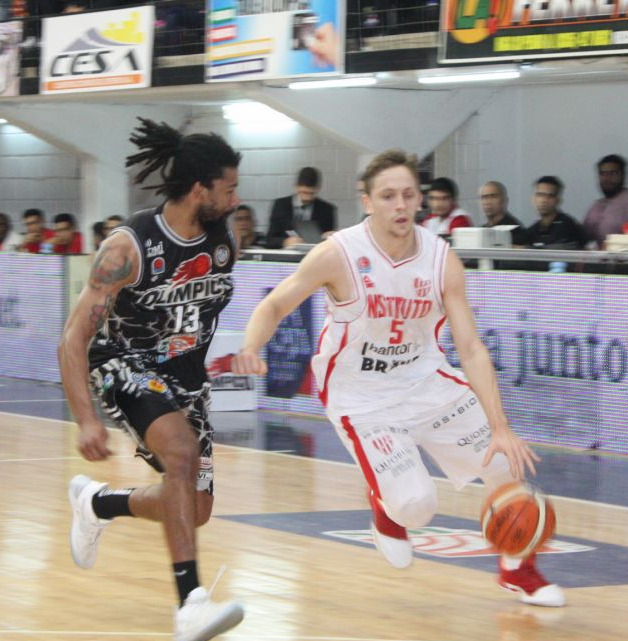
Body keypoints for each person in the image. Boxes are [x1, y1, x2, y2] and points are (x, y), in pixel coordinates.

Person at [233, 149, 564, 607]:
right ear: (367, 201)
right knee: (416, 507)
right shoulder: (339, 253)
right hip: (360, 394)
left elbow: (470, 347)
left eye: (409, 194)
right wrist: (251, 347)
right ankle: (387, 510)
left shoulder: (441, 259)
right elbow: (274, 304)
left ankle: (518, 569)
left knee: (504, 462)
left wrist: (501, 425)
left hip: (425, 380)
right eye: (388, 196)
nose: (401, 205)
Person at [58, 118, 245, 641]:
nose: (236, 199)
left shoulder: (224, 240)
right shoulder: (127, 249)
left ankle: (98, 504)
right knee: (181, 454)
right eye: (229, 188)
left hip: (186, 379)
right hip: (124, 364)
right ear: (199, 189)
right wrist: (86, 419)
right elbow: (72, 338)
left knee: (194, 508)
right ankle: (191, 606)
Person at [583, 155, 628, 249]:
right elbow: (583, 237)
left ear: (623, 176)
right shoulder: (596, 206)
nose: (607, 178)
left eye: (613, 173)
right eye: (603, 173)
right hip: (600, 256)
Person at [266, 166, 337, 249]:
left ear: (318, 189)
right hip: (286, 253)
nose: (307, 198)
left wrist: (328, 238)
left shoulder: (327, 210)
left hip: (314, 253)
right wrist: (285, 242)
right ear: (296, 187)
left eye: (311, 193)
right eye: (303, 192)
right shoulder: (280, 205)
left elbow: (332, 244)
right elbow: (269, 240)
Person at [524, 176, 586, 252]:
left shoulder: (567, 225)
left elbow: (562, 249)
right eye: (540, 195)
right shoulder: (534, 229)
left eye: (550, 196)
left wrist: (526, 248)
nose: (544, 200)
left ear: (558, 200)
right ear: (533, 199)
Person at [421, 177, 472, 241]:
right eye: (435, 199)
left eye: (444, 198)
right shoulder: (430, 219)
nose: (439, 204)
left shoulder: (460, 219)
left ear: (453, 200)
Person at [479, 181, 525, 245]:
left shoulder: (514, 230)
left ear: (505, 201)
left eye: (493, 196)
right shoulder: (481, 231)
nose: (488, 202)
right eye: (484, 197)